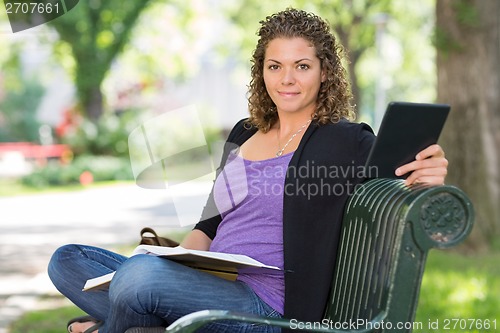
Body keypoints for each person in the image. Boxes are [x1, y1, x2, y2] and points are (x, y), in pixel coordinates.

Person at [48, 8, 448, 333]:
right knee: (67, 260)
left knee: (137, 280)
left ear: (325, 71)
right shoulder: (244, 133)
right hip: (209, 282)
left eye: (302, 66)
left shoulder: (345, 140)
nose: (287, 79)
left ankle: (114, 326)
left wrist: (429, 173)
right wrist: (181, 264)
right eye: (275, 66)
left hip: (264, 306)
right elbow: (209, 224)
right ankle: (144, 322)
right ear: (262, 71)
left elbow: (398, 179)